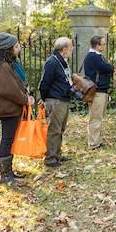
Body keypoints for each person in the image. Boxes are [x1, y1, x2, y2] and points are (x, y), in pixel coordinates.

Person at [0, 32, 35, 185]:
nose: (19, 49)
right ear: (7, 49)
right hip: (8, 109)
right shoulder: (1, 67)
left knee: (10, 139)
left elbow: (17, 85)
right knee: (7, 140)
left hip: (12, 108)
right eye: (16, 46)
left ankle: (9, 172)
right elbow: (8, 89)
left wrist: (27, 97)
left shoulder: (8, 64)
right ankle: (5, 175)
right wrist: (24, 99)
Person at [38, 37, 74, 168]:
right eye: (71, 47)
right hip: (56, 99)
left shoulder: (62, 61)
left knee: (61, 129)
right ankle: (50, 159)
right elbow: (44, 83)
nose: (72, 49)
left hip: (63, 98)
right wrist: (44, 98)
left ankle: (58, 154)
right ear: (64, 49)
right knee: (54, 130)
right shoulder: (52, 62)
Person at [83, 35, 115, 150]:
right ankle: (93, 144)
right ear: (97, 46)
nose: (105, 46)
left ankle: (96, 141)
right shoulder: (93, 57)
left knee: (98, 117)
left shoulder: (97, 56)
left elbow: (107, 69)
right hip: (97, 91)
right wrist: (109, 68)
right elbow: (109, 68)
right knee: (95, 117)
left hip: (101, 90)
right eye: (103, 44)